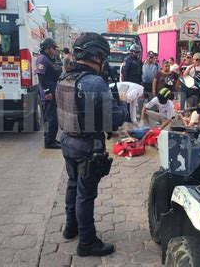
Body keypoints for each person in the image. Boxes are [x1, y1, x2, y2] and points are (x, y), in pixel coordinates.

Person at [56, 32, 129, 256]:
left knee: (72, 184)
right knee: (85, 194)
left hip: (67, 140)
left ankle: (71, 228)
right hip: (87, 147)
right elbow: (114, 120)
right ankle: (87, 242)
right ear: (97, 56)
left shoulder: (65, 76)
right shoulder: (94, 83)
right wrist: (123, 106)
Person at [35, 38, 61, 149]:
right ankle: (49, 142)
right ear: (47, 48)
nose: (55, 50)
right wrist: (46, 91)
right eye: (53, 48)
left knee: (53, 118)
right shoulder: (42, 59)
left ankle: (52, 139)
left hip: (52, 93)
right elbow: (41, 77)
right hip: (48, 95)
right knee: (50, 118)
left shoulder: (49, 59)